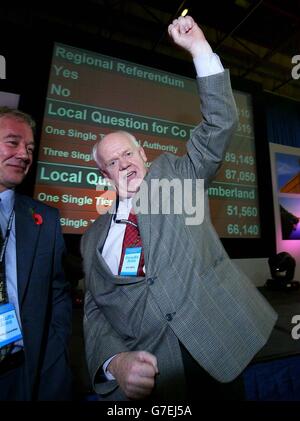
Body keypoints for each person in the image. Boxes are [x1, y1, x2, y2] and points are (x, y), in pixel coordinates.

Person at [81, 15, 277, 401]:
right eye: (112, 161)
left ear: (143, 153)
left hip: (213, 353)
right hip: (151, 378)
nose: (124, 163)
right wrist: (114, 361)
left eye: (128, 153)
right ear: (104, 173)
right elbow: (95, 312)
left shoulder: (174, 178)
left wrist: (200, 50)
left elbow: (219, 124)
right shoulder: (91, 241)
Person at [0, 107, 72, 400]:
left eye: (29, 148)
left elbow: (58, 293)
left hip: (27, 374)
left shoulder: (45, 220)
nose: (24, 155)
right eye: (13, 142)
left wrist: (54, 355)